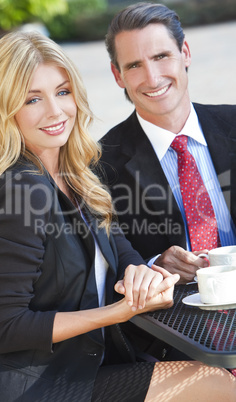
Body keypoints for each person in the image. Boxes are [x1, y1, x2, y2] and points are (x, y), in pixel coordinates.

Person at [0, 31, 235, 402]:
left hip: (84, 365)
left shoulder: (77, 173)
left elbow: (120, 249)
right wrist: (118, 311)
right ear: (6, 109)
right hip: (34, 386)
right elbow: (7, 327)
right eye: (33, 99)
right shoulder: (23, 189)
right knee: (216, 385)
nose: (55, 111)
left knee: (216, 378)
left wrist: (139, 271)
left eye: (62, 92)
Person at [100, 2, 236, 285]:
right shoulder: (99, 166)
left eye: (161, 56)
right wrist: (152, 266)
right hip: (171, 322)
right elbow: (105, 267)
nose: (152, 78)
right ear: (117, 75)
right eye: (135, 65)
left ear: (184, 53)